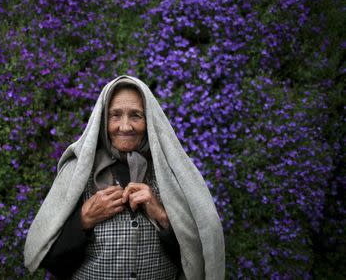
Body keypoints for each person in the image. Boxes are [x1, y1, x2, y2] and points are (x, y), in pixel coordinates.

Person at [24, 76, 224, 280]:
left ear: (149, 120)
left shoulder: (172, 174)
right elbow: (53, 264)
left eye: (136, 115)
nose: (125, 126)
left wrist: (162, 216)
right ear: (103, 120)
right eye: (115, 115)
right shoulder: (78, 174)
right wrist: (84, 220)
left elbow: (197, 261)